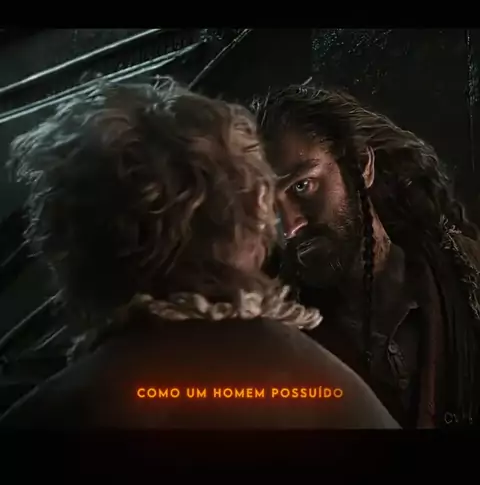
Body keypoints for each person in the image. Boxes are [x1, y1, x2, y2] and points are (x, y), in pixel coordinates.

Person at [0, 78, 397, 429]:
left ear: (68, 246)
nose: (288, 226)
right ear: (250, 219)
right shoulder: (334, 395)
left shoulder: (53, 414)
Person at [251, 81, 480, 428]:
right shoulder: (275, 341)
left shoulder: (466, 277)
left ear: (360, 164)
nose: (290, 226)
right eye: (269, 205)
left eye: (302, 185)